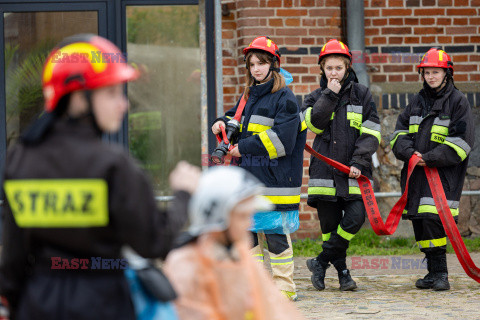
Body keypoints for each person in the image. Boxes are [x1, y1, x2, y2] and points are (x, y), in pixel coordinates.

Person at [0, 34, 200, 319]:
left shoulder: (20, 158)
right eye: (112, 93)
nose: (124, 104)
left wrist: (14, 303)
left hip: (38, 302)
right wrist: (183, 193)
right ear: (79, 98)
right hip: (103, 303)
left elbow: (14, 259)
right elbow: (155, 242)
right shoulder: (113, 165)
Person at [211, 36, 307, 301]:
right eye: (252, 64)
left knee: (275, 235)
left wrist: (244, 148)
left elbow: (283, 140)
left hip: (275, 180)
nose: (256, 69)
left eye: (262, 63)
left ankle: (285, 287)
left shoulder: (285, 98)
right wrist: (220, 123)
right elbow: (235, 117)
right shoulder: (249, 95)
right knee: (248, 234)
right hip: (250, 179)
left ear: (273, 64)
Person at [164, 166, 306, 320]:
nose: (249, 223)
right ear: (218, 218)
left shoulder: (239, 255)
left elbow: (276, 309)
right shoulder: (186, 265)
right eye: (242, 216)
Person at [390, 47, 474, 291]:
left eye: (436, 72)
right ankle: (431, 273)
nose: (431, 76)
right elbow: (398, 134)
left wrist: (430, 158)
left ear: (447, 73)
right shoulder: (416, 101)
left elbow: (463, 142)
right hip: (416, 175)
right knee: (420, 220)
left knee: (434, 220)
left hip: (442, 175)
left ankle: (441, 274)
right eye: (426, 72)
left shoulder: (458, 102)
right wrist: (410, 154)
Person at [301, 39, 381, 291]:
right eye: (329, 68)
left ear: (347, 68)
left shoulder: (362, 94)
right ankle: (343, 274)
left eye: (338, 68)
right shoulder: (314, 97)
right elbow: (313, 125)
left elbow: (372, 132)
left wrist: (359, 160)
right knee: (329, 228)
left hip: (354, 173)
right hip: (324, 175)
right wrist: (330, 95)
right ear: (322, 70)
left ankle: (320, 262)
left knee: (356, 218)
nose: (334, 73)